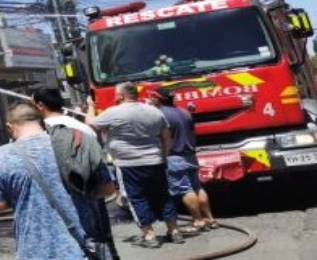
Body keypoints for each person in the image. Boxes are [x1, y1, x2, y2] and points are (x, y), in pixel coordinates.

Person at [86, 82, 183, 249]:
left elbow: (90, 124)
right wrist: (164, 156)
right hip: (155, 161)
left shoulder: (114, 112)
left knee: (136, 197)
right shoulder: (154, 111)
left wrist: (90, 106)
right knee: (163, 196)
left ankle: (149, 235)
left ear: (121, 95)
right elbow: (167, 137)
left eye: (116, 94)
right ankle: (174, 231)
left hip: (128, 164)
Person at [0, 101, 88, 260]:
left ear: (9, 127)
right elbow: (106, 189)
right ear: (41, 121)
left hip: (34, 250)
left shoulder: (1, 156)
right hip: (81, 244)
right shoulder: (73, 143)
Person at [32, 88, 120, 259]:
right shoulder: (82, 128)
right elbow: (105, 183)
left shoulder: (39, 134)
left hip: (55, 214)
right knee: (100, 247)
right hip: (91, 206)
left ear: (41, 105)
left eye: (32, 104)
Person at [148, 87, 218, 232]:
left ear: (157, 99)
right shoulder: (184, 112)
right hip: (190, 155)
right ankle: (210, 219)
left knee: (185, 189)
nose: (150, 100)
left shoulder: (160, 114)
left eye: (151, 97)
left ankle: (198, 221)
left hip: (174, 157)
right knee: (197, 187)